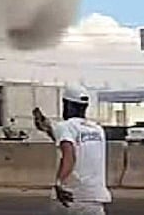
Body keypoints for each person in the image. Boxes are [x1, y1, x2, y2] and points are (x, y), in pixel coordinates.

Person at [34, 85, 111, 214]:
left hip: (72, 196)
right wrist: (47, 128)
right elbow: (71, 143)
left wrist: (58, 183)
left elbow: (69, 155)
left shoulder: (65, 126)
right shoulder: (97, 129)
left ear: (67, 105)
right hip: (95, 197)